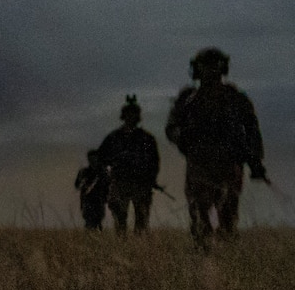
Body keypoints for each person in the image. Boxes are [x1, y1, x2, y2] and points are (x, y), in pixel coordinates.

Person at [165, 48, 265, 248]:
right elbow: (172, 128)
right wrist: (184, 139)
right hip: (199, 164)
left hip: (228, 165)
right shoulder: (189, 99)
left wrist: (255, 161)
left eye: (214, 66)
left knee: (227, 219)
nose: (210, 71)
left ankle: (223, 261)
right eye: (206, 66)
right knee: (200, 219)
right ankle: (205, 262)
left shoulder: (235, 98)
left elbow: (252, 130)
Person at [94, 96, 160, 233]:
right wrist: (109, 175)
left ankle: (138, 250)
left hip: (140, 183)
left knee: (141, 222)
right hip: (120, 181)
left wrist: (150, 178)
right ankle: (123, 249)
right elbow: (101, 158)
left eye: (133, 115)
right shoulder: (114, 137)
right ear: (124, 116)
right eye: (129, 115)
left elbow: (154, 162)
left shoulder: (146, 138)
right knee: (119, 221)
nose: (131, 118)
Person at [73, 150, 109, 230]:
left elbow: (107, 185)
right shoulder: (84, 172)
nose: (93, 161)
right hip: (88, 200)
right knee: (89, 221)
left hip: (99, 199)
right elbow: (77, 185)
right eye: (91, 159)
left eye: (94, 159)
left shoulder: (102, 172)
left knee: (98, 220)